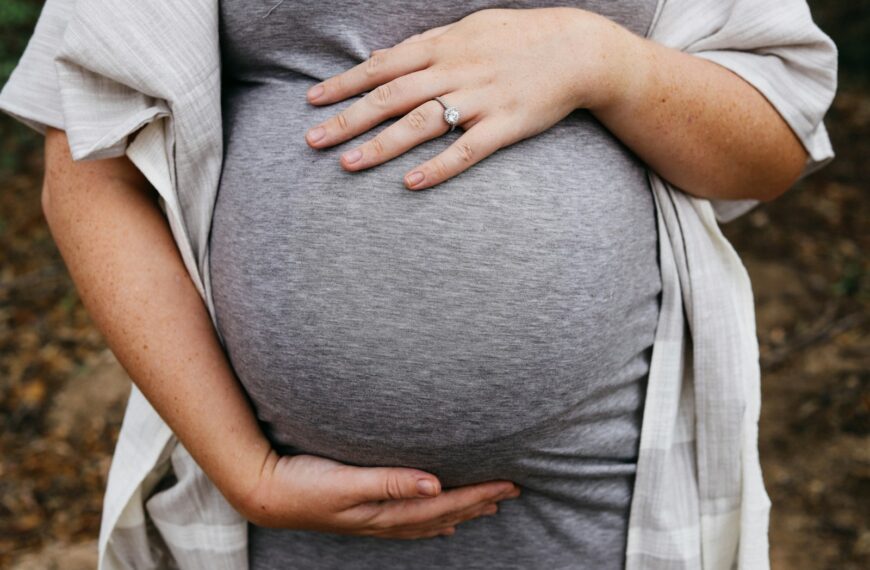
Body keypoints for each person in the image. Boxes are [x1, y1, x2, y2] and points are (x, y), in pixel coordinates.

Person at [0, 0, 837, 568]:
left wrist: (605, 62)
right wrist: (245, 469)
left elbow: (770, 148)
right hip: (270, 506)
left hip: (604, 499)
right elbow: (88, 163)